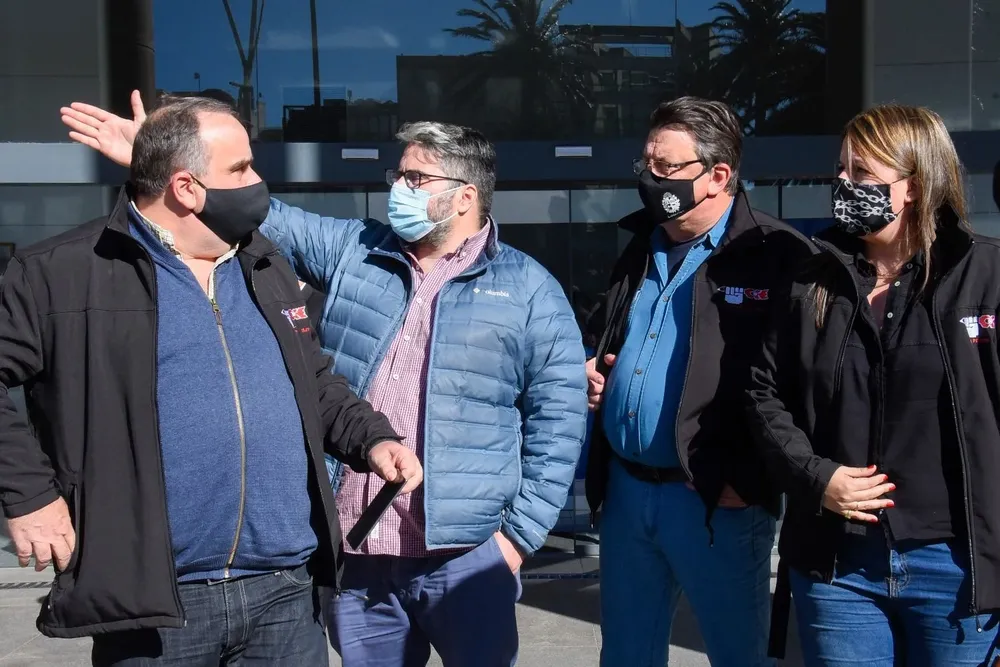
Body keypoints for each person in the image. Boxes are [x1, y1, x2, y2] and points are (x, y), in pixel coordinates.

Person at [62, 93, 588, 667]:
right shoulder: (355, 251)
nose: (398, 188)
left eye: (415, 177)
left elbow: (558, 418)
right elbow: (260, 211)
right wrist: (157, 156)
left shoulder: (529, 289)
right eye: (398, 173)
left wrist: (517, 540)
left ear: (464, 196)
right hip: (357, 554)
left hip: (466, 558)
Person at [1, 95, 422, 666]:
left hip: (286, 593)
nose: (256, 182)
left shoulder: (265, 262)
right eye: (240, 169)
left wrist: (371, 437)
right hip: (157, 602)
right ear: (186, 188)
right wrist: (31, 496)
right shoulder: (63, 271)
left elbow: (312, 380)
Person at [747, 104, 1000, 665]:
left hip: (956, 570)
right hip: (838, 568)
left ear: (913, 183)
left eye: (861, 173)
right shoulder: (814, 275)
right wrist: (818, 477)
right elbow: (763, 393)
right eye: (841, 169)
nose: (842, 183)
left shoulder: (986, 275)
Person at [584, 96, 813, 667]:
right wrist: (601, 374)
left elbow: (806, 386)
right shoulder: (642, 243)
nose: (649, 178)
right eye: (646, 164)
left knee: (739, 656)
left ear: (717, 176)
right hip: (627, 495)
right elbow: (616, 337)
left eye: (666, 168)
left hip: (716, 501)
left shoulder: (777, 256)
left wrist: (758, 478)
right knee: (626, 656)